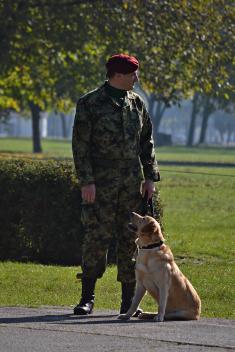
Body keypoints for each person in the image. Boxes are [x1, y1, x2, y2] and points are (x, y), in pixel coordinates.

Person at [72, 53, 160, 315]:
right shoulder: (90, 103)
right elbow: (80, 146)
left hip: (131, 184)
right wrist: (86, 181)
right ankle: (87, 298)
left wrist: (149, 178)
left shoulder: (137, 104)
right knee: (96, 238)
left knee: (130, 241)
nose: (137, 77)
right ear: (118, 75)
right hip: (100, 184)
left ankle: (128, 303)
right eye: (133, 73)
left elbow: (147, 142)